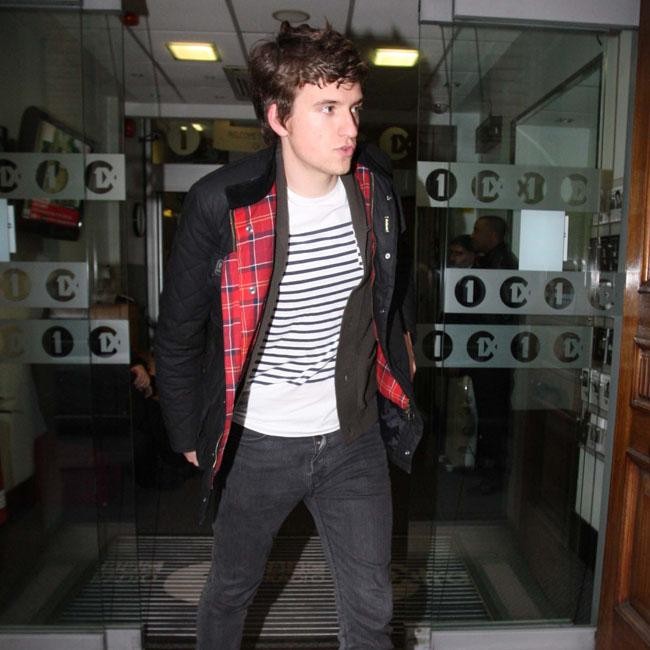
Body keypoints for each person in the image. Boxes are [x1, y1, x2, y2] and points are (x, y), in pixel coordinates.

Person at [155, 21, 422, 650]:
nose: (349, 127)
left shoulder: (374, 184)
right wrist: (186, 430)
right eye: (327, 108)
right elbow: (179, 332)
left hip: (351, 435)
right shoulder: (222, 203)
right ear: (278, 118)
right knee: (231, 589)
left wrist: (401, 346)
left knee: (372, 608)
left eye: (354, 108)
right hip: (257, 440)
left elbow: (394, 278)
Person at [469, 215, 517, 493]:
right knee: (488, 413)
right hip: (489, 351)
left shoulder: (501, 264)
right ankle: (486, 470)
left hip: (494, 353)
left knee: (493, 415)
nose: (473, 235)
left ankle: (492, 474)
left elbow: (495, 313)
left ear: (492, 235)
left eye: (478, 230)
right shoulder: (491, 261)